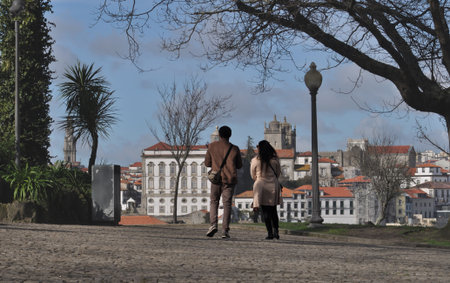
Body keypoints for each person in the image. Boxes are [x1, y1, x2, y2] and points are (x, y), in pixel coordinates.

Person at [205, 126, 243, 238]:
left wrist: (215, 163)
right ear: (230, 135)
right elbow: (239, 165)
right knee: (227, 204)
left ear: (219, 135)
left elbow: (207, 163)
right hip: (229, 180)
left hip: (216, 179)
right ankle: (225, 230)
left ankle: (213, 225)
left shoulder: (212, 146)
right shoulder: (235, 148)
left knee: (214, 202)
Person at [251, 140, 282, 240]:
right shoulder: (275, 159)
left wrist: (259, 178)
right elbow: (278, 173)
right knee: (273, 210)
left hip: (261, 185)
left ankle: (270, 233)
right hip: (273, 184)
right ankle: (276, 231)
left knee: (265, 211)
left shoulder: (255, 160)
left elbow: (253, 175)